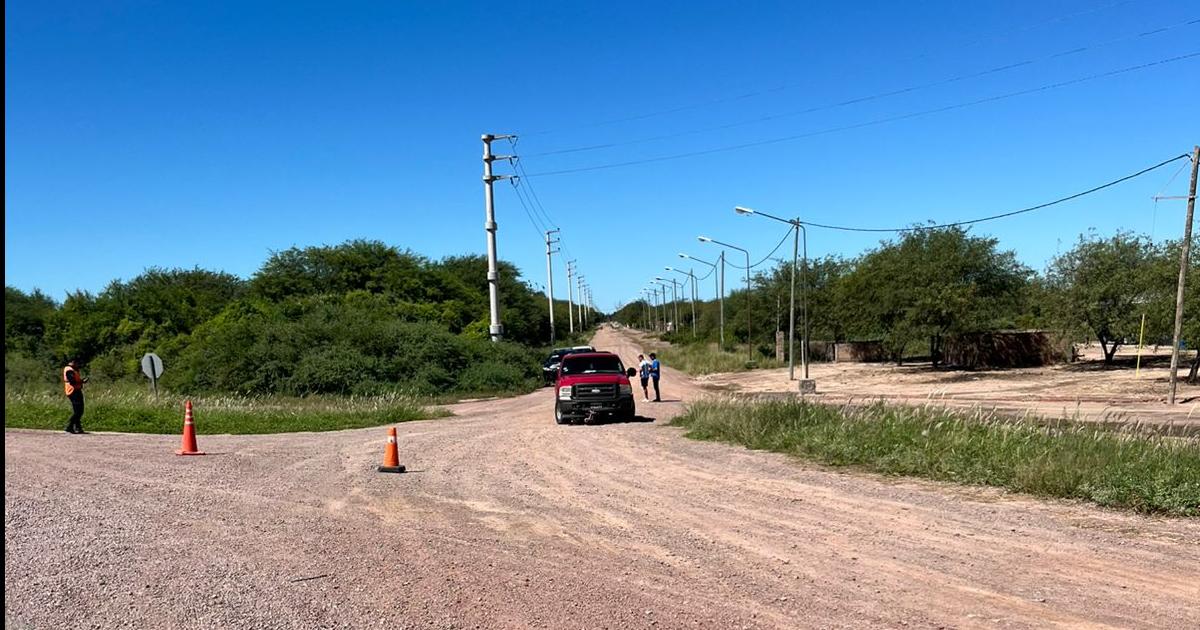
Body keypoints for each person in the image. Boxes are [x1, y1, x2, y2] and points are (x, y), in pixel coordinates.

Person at [62, 358, 87, 434]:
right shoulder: (69, 370)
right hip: (73, 391)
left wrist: (81, 382)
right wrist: (81, 381)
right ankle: (69, 426)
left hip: (76, 390)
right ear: (73, 362)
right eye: (77, 363)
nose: (77, 365)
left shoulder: (72, 369)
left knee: (79, 410)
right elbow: (72, 381)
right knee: (78, 411)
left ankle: (77, 427)